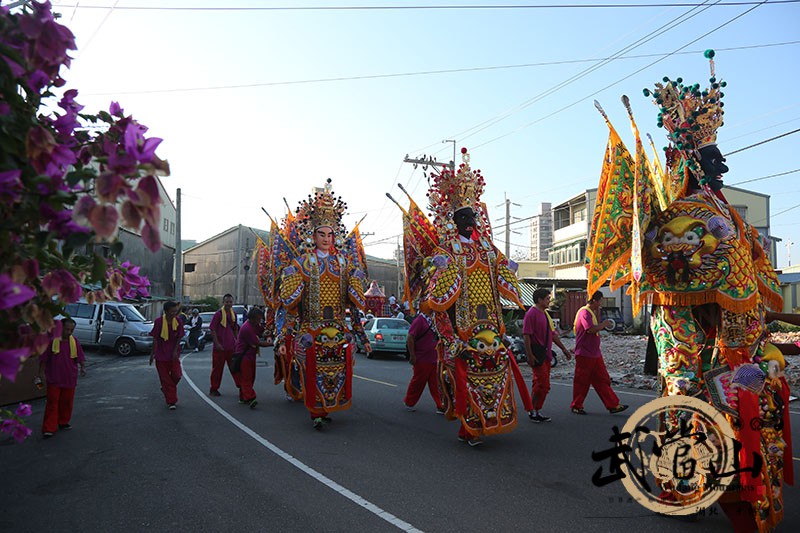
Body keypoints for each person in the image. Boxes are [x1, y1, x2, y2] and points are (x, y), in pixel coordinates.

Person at [392, 148, 532, 447]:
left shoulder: (487, 249)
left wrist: (508, 271)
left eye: (474, 216)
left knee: (493, 376)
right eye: (465, 217)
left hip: (491, 324)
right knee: (466, 379)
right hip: (462, 327)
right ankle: (469, 428)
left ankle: (490, 419)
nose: (472, 221)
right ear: (454, 221)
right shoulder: (447, 252)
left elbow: (506, 275)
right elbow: (437, 298)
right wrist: (451, 335)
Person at [275, 179, 372, 429]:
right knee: (314, 370)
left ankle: (326, 407)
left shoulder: (343, 264)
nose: (327, 238)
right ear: (313, 234)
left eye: (331, 234)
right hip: (311, 329)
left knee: (336, 371)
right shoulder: (302, 263)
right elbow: (289, 304)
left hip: (338, 329)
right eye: (322, 234)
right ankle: (316, 411)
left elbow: (356, 302)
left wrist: (357, 280)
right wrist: (285, 335)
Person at [570, 292, 627, 415]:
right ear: (594, 301)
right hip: (585, 353)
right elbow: (590, 329)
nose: (600, 304)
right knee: (582, 381)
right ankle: (576, 405)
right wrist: (604, 325)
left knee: (602, 379)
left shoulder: (590, 313)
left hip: (594, 353)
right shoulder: (584, 312)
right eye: (600, 301)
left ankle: (613, 404)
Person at [523, 288, 572, 422]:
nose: (549, 301)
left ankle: (534, 410)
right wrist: (530, 355)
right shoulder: (531, 314)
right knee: (543, 385)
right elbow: (526, 336)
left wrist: (564, 349)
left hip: (546, 354)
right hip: (537, 354)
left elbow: (552, 334)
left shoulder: (545, 314)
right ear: (539, 300)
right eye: (547, 298)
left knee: (539, 383)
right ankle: (533, 410)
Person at [38, 318, 86, 438]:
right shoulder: (51, 341)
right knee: (52, 403)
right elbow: (44, 359)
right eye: (67, 329)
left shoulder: (74, 341)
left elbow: (80, 357)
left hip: (70, 378)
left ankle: (63, 422)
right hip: (54, 378)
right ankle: (49, 427)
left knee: (67, 402)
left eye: (72, 330)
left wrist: (83, 367)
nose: (69, 332)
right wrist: (39, 374)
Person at [403, 311, 443, 413]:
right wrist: (412, 355)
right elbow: (410, 337)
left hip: (435, 357)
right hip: (422, 358)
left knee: (436, 383)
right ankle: (409, 402)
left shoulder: (436, 319)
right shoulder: (419, 320)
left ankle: (440, 405)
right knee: (418, 381)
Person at [233, 307, 272, 409]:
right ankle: (251, 397)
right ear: (252, 318)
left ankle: (243, 397)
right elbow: (257, 342)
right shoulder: (247, 328)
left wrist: (267, 333)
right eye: (258, 319)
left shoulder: (253, 325)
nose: (259, 321)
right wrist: (272, 344)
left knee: (250, 377)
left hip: (250, 355)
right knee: (247, 377)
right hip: (244, 356)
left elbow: (261, 331)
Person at [149, 301, 184, 409]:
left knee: (177, 375)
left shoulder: (177, 321)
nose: (174, 313)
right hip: (161, 354)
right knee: (165, 379)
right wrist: (152, 354)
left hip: (173, 354)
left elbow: (179, 336)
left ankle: (166, 389)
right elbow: (155, 338)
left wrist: (175, 351)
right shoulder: (159, 322)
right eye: (172, 311)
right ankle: (171, 401)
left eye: (175, 311)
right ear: (166, 311)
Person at [208, 294, 240, 396]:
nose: (229, 304)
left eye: (230, 302)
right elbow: (212, 329)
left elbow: (235, 329)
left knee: (235, 367)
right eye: (227, 302)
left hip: (231, 346)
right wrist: (217, 343)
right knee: (217, 369)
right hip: (220, 348)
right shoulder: (218, 314)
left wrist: (237, 342)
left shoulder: (233, 314)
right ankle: (214, 388)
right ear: (223, 302)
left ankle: (241, 386)